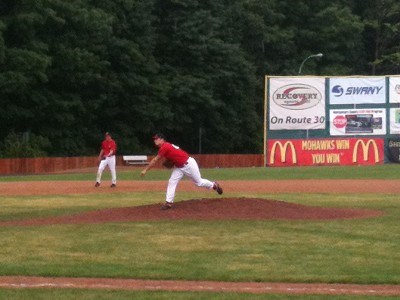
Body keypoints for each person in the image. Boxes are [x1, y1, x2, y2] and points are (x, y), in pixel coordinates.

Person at [141, 133, 223, 210]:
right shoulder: (166, 146)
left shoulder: (164, 147)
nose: (155, 140)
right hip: (179, 166)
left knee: (199, 182)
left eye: (157, 139)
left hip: (189, 164)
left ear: (162, 139)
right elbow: (175, 154)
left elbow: (155, 160)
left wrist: (145, 170)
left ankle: (214, 185)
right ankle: (168, 203)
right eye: (154, 139)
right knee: (172, 181)